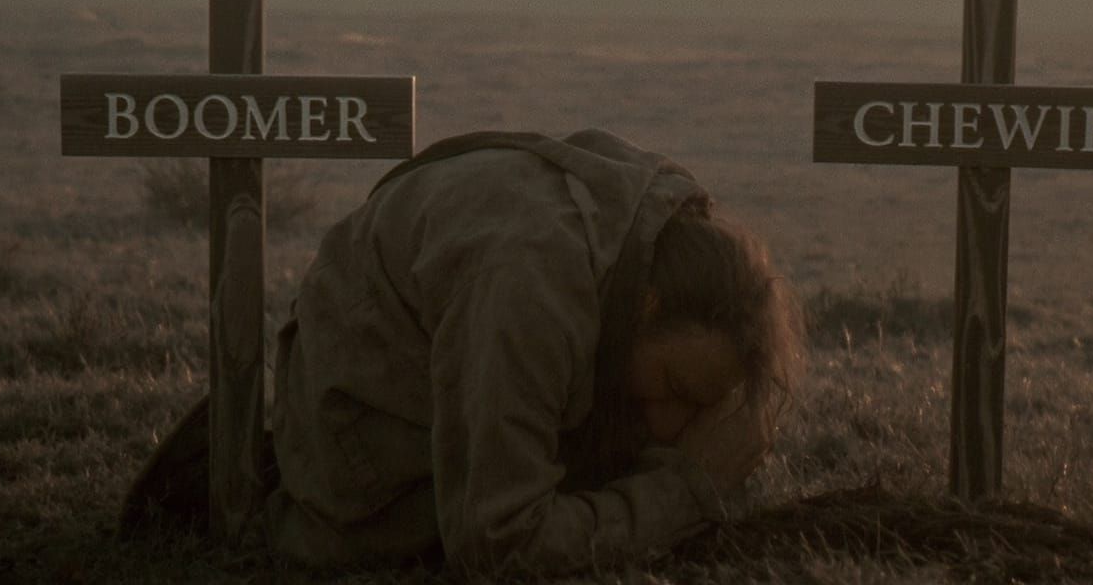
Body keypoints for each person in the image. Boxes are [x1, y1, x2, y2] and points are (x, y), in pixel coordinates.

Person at [134, 128, 805, 576]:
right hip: (362, 473)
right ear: (648, 310)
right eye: (674, 388)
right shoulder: (533, 288)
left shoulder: (638, 238)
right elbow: (498, 543)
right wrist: (685, 491)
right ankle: (261, 494)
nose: (666, 422)